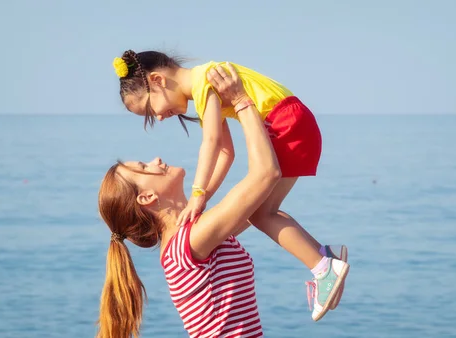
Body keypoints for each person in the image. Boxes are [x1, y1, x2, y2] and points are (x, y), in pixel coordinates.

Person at [96, 65, 350, 338]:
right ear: (147, 197)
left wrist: (201, 194)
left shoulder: (194, 234)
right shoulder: (190, 241)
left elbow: (242, 177)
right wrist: (241, 101)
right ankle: (324, 266)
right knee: (264, 213)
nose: (156, 160)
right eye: (145, 167)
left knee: (264, 212)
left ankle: (324, 260)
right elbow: (266, 174)